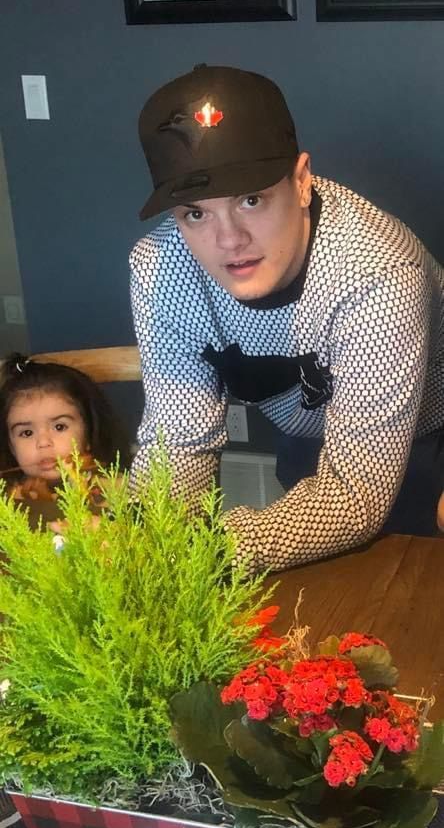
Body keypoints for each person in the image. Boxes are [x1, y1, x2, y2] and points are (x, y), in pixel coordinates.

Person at [129, 63, 444, 574]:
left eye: (251, 200)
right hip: (310, 437)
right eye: (195, 213)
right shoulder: (160, 269)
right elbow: (178, 437)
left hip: (427, 441)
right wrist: (144, 540)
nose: (229, 240)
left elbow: (354, 493)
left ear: (300, 182)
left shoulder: (377, 273)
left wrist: (211, 552)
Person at [0, 353, 130, 502]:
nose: (43, 442)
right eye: (27, 433)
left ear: (89, 432)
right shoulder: (8, 498)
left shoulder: (114, 487)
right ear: (11, 446)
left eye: (60, 427)